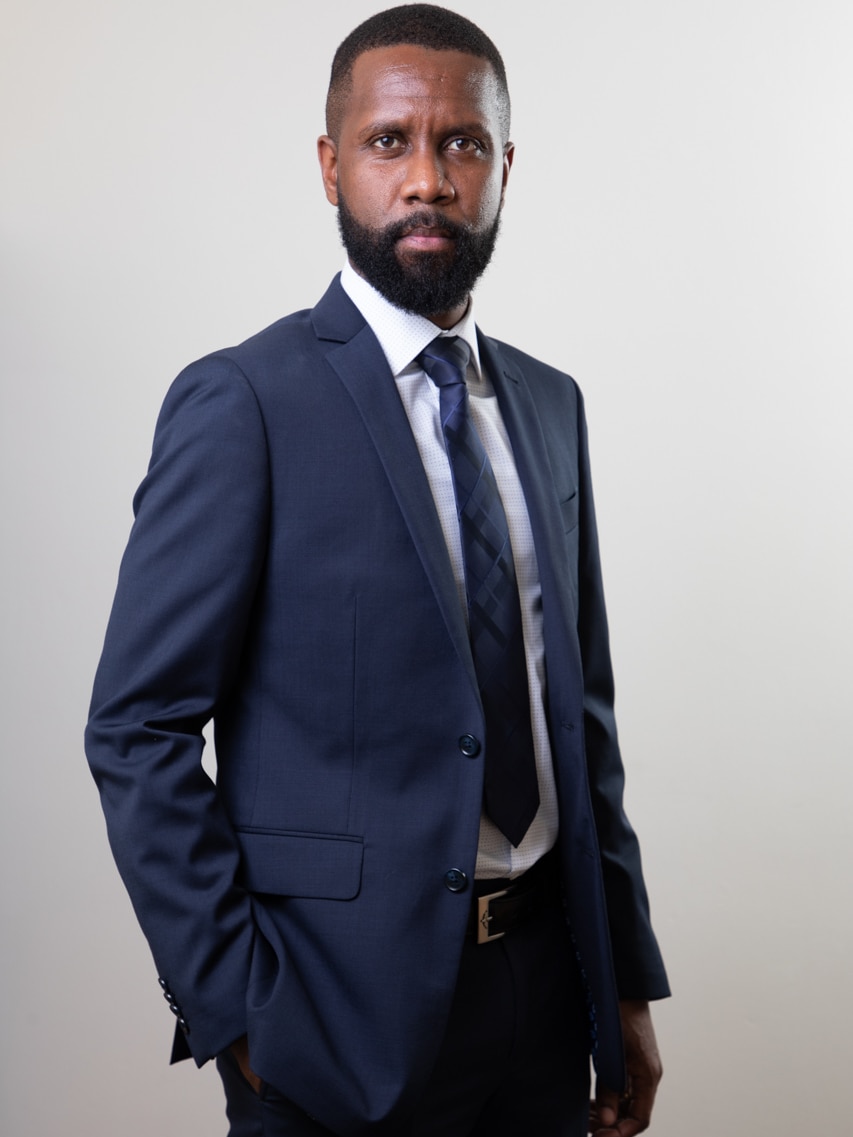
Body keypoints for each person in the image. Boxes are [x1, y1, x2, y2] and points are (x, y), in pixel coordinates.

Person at [85, 5, 670, 1135]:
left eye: (461, 144)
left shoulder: (550, 406)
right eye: (389, 141)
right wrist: (236, 1006)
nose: (428, 180)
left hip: (548, 1000)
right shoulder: (244, 403)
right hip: (331, 1026)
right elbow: (137, 728)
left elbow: (580, 723)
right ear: (330, 164)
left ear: (504, 166)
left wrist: (625, 986)